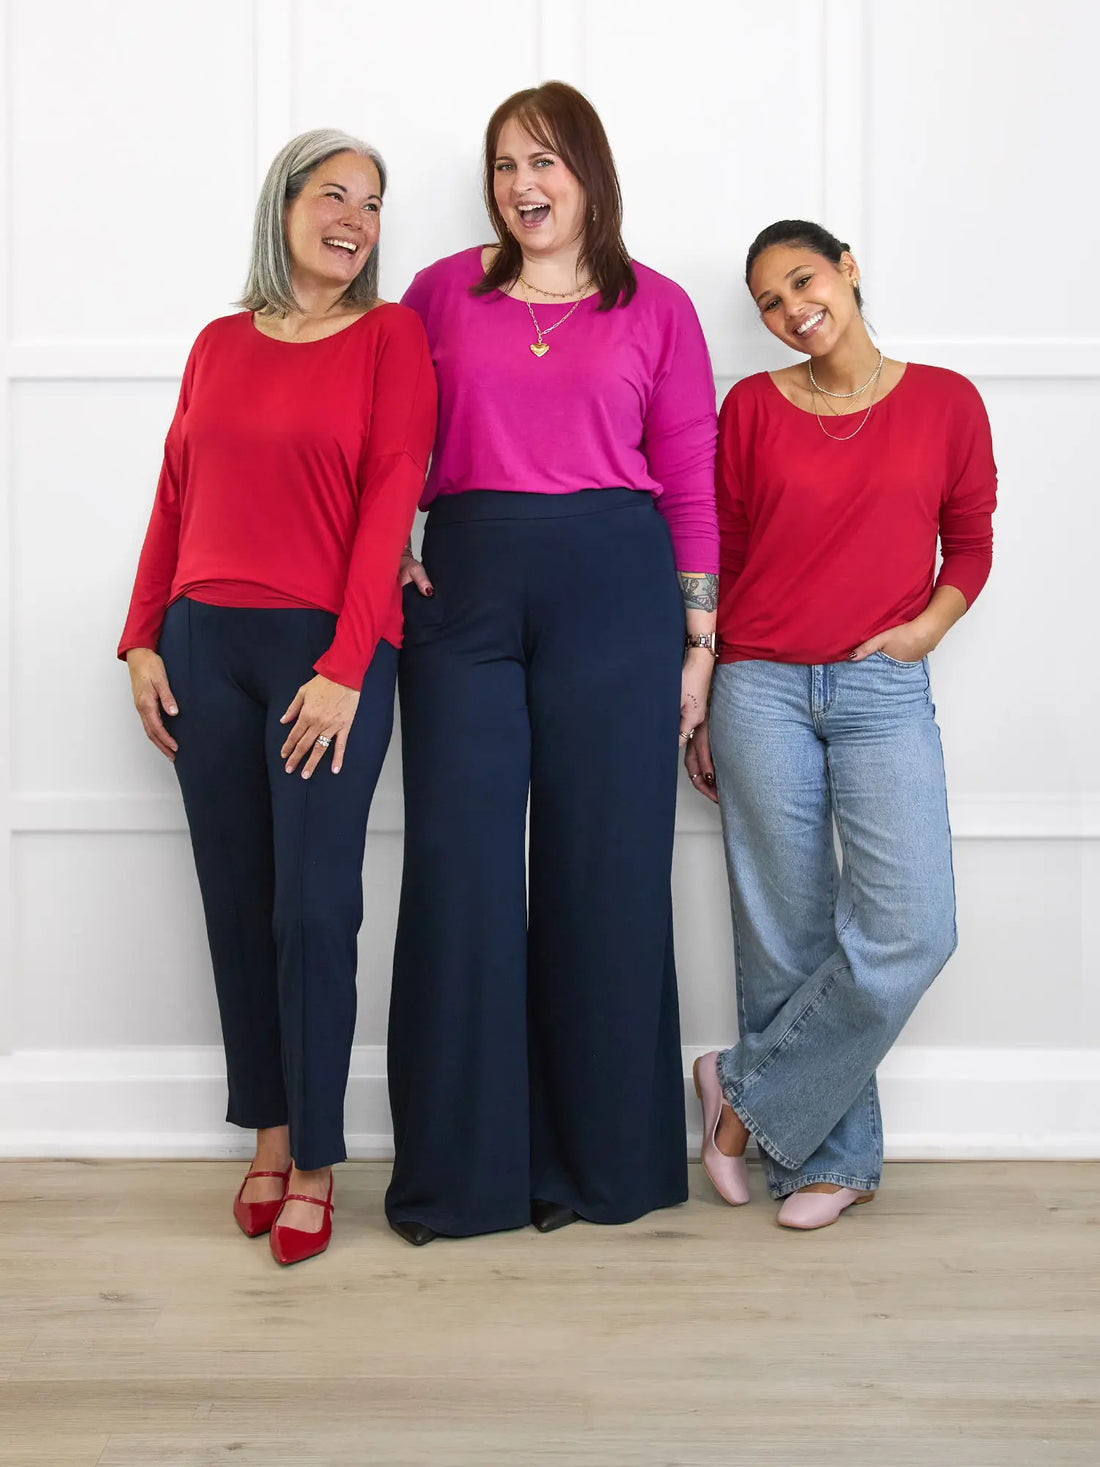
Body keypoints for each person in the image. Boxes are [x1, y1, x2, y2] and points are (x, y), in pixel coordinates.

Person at [386, 81, 719, 1244]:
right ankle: (461, 1178)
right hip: (466, 582)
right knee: (460, 870)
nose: (523, 185)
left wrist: (697, 641)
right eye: (504, 165)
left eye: (545, 162)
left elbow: (685, 474)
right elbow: (389, 435)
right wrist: (385, 543)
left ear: (588, 174)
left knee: (605, 871)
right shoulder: (439, 294)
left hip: (615, 587)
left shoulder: (657, 307)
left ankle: (599, 1164)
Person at [118, 129, 436, 1265]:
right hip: (203, 644)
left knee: (312, 908)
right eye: (333, 193)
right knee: (238, 903)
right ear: (285, 207)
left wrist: (349, 665)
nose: (355, 215)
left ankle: (313, 1160)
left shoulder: (392, 338)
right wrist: (139, 638)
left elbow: (393, 492)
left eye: (374, 201)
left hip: (322, 652)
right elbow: (174, 490)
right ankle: (266, 1126)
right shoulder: (216, 342)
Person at [688, 220, 996, 1230]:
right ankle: (830, 1165)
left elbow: (970, 547)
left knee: (913, 929)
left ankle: (736, 1088)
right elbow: (720, 550)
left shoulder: (945, 400)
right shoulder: (748, 408)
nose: (789, 311)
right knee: (784, 936)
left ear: (847, 270)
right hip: (758, 686)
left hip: (877, 688)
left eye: (802, 281)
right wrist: (702, 689)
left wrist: (921, 633)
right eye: (768, 304)